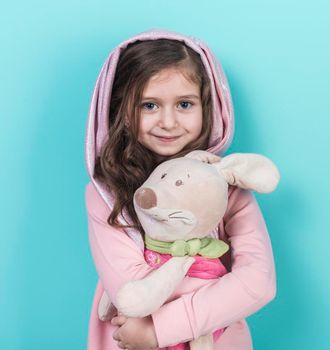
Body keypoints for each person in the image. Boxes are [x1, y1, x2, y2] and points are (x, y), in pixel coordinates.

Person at [84, 29, 277, 350]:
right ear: (120, 109)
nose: (169, 121)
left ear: (207, 106)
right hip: (129, 340)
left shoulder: (227, 189)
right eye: (149, 105)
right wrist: (221, 296)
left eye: (184, 104)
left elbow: (259, 283)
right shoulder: (106, 194)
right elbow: (131, 289)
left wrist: (159, 330)